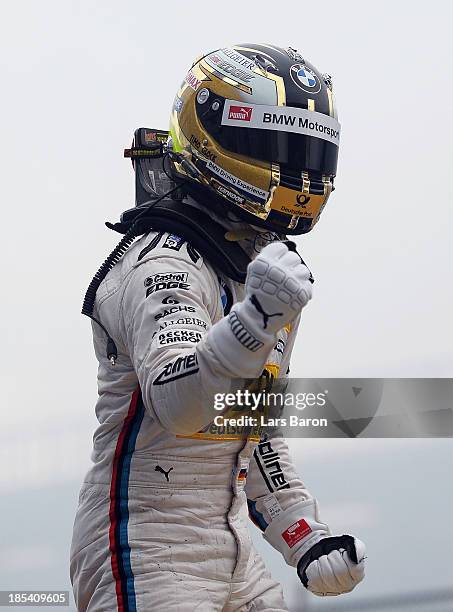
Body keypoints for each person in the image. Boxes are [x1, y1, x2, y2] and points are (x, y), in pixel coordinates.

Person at [70, 43, 366, 611]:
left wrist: (304, 534)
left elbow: (250, 427)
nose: (298, 171)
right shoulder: (163, 262)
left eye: (308, 149)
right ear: (215, 139)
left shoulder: (255, 265)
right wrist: (255, 320)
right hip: (145, 547)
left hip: (229, 544)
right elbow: (181, 406)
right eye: (277, 145)